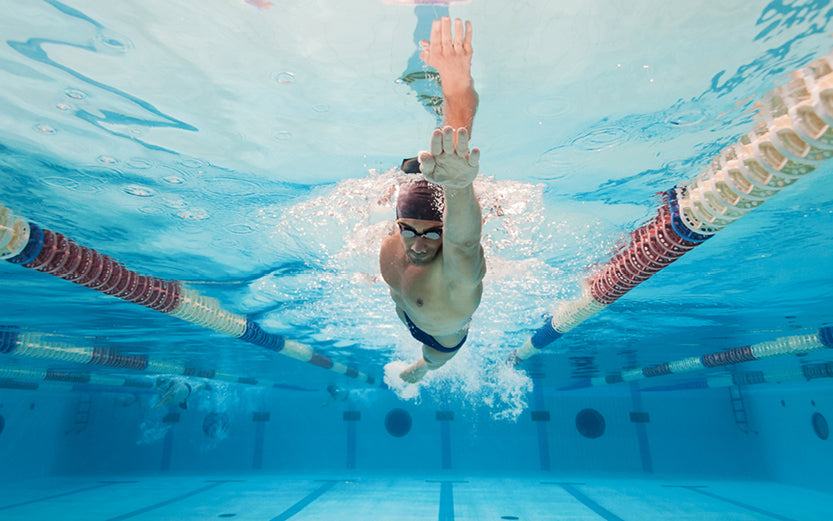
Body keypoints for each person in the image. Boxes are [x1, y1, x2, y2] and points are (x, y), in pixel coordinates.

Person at [380, 17, 485, 384]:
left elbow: (465, 242)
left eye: (433, 234)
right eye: (408, 229)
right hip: (410, 310)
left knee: (432, 360)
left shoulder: (457, 278)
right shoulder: (398, 237)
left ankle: (424, 371)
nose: (419, 243)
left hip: (441, 337)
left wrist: (457, 83)